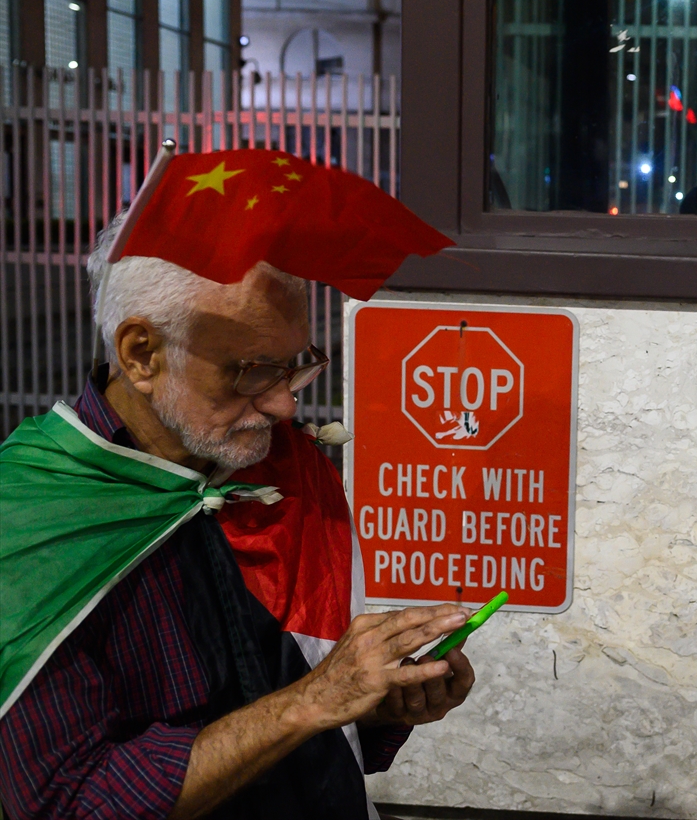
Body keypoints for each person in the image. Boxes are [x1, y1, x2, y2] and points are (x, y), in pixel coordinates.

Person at [0, 218, 474, 819]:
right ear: (141, 354)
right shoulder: (27, 521)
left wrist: (373, 703)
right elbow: (68, 802)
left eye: (295, 365)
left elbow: (300, 703)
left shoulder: (281, 468)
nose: (285, 404)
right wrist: (312, 701)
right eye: (252, 371)